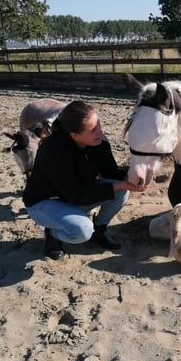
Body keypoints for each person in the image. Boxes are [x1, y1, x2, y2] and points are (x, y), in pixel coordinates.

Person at [22, 100, 145, 259]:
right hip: (45, 202)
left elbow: (110, 172)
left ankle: (99, 231)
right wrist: (120, 184)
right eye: (93, 130)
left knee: (122, 191)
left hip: (78, 193)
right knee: (82, 230)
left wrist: (134, 175)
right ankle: (51, 233)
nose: (100, 132)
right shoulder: (53, 150)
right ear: (75, 135)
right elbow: (76, 195)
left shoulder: (98, 142)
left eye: (99, 125)